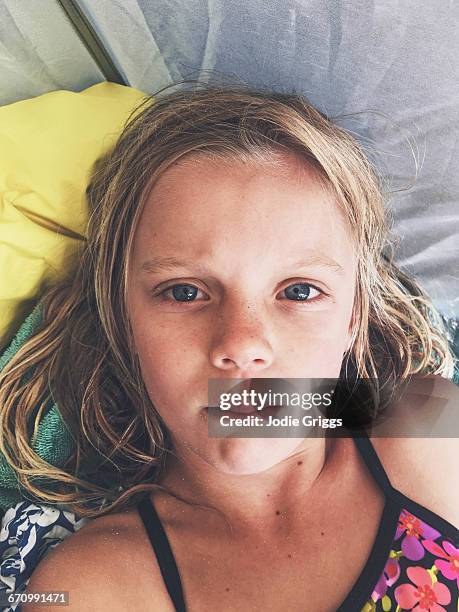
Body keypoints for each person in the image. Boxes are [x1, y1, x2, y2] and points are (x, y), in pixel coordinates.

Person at [1, 83, 457, 611]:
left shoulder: (424, 419)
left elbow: (343, 403)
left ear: (353, 315)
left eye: (300, 292)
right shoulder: (94, 589)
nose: (242, 345)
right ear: (123, 319)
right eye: (185, 292)